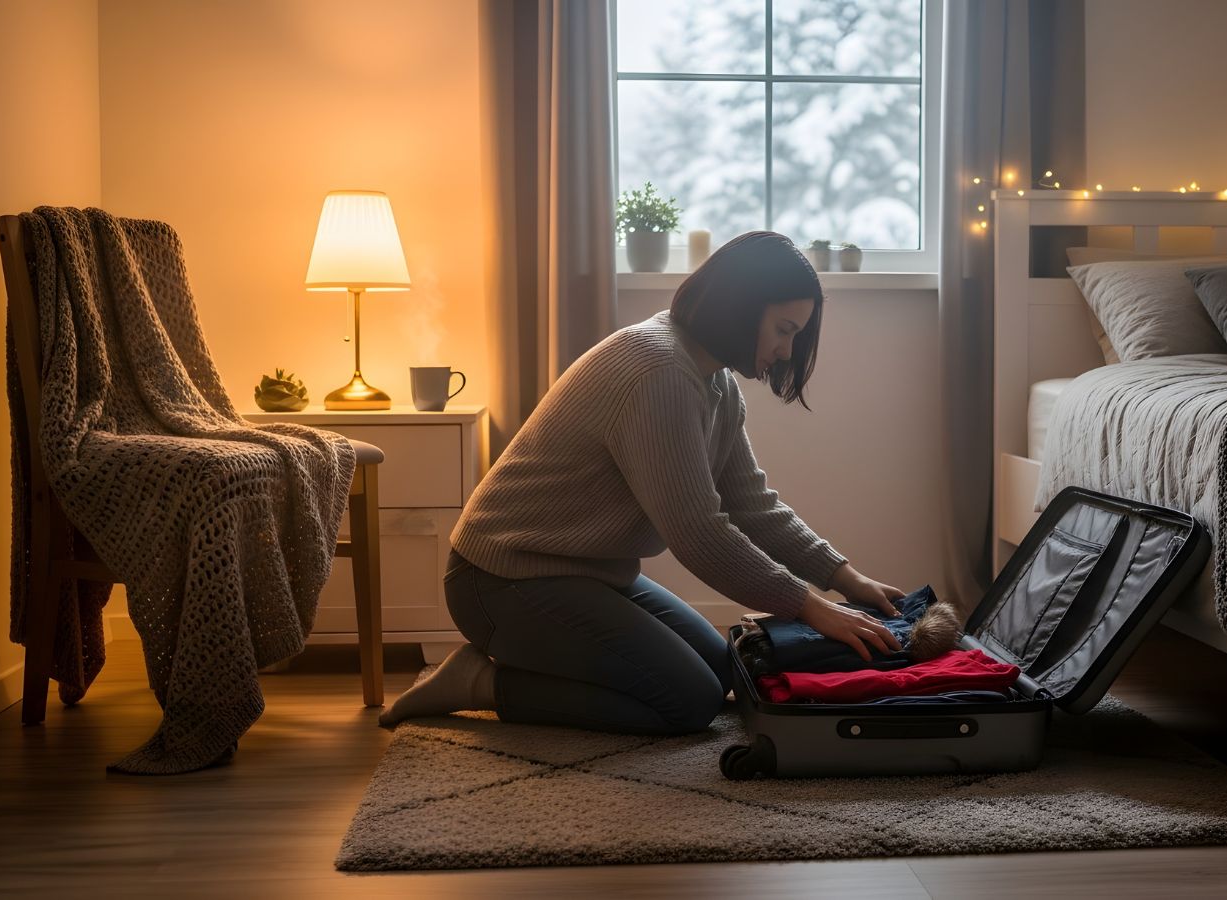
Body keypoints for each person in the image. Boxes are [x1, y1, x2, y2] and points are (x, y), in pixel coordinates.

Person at [379, 231, 904, 733]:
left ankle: (538, 666)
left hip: (593, 573)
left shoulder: (713, 380)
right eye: (784, 330)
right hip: (501, 580)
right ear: (744, 305)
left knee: (725, 672)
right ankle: (483, 682)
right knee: (689, 701)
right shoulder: (660, 372)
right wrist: (812, 608)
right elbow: (699, 533)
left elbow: (752, 505)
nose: (787, 352)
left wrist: (847, 580)